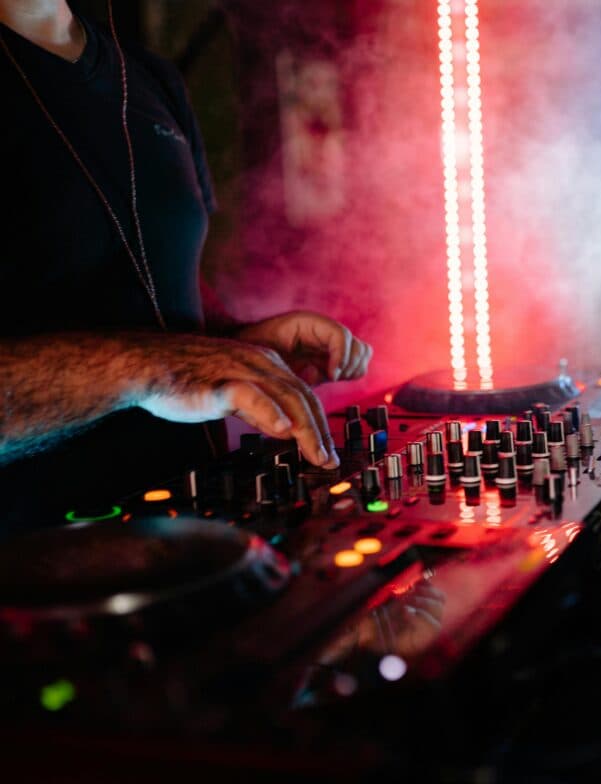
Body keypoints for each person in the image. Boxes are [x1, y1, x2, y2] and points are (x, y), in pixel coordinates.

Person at [0, 0, 371, 537]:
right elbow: (156, 361)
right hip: (35, 579)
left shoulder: (149, 78)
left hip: (198, 543)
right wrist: (148, 366)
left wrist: (234, 341)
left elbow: (157, 275)